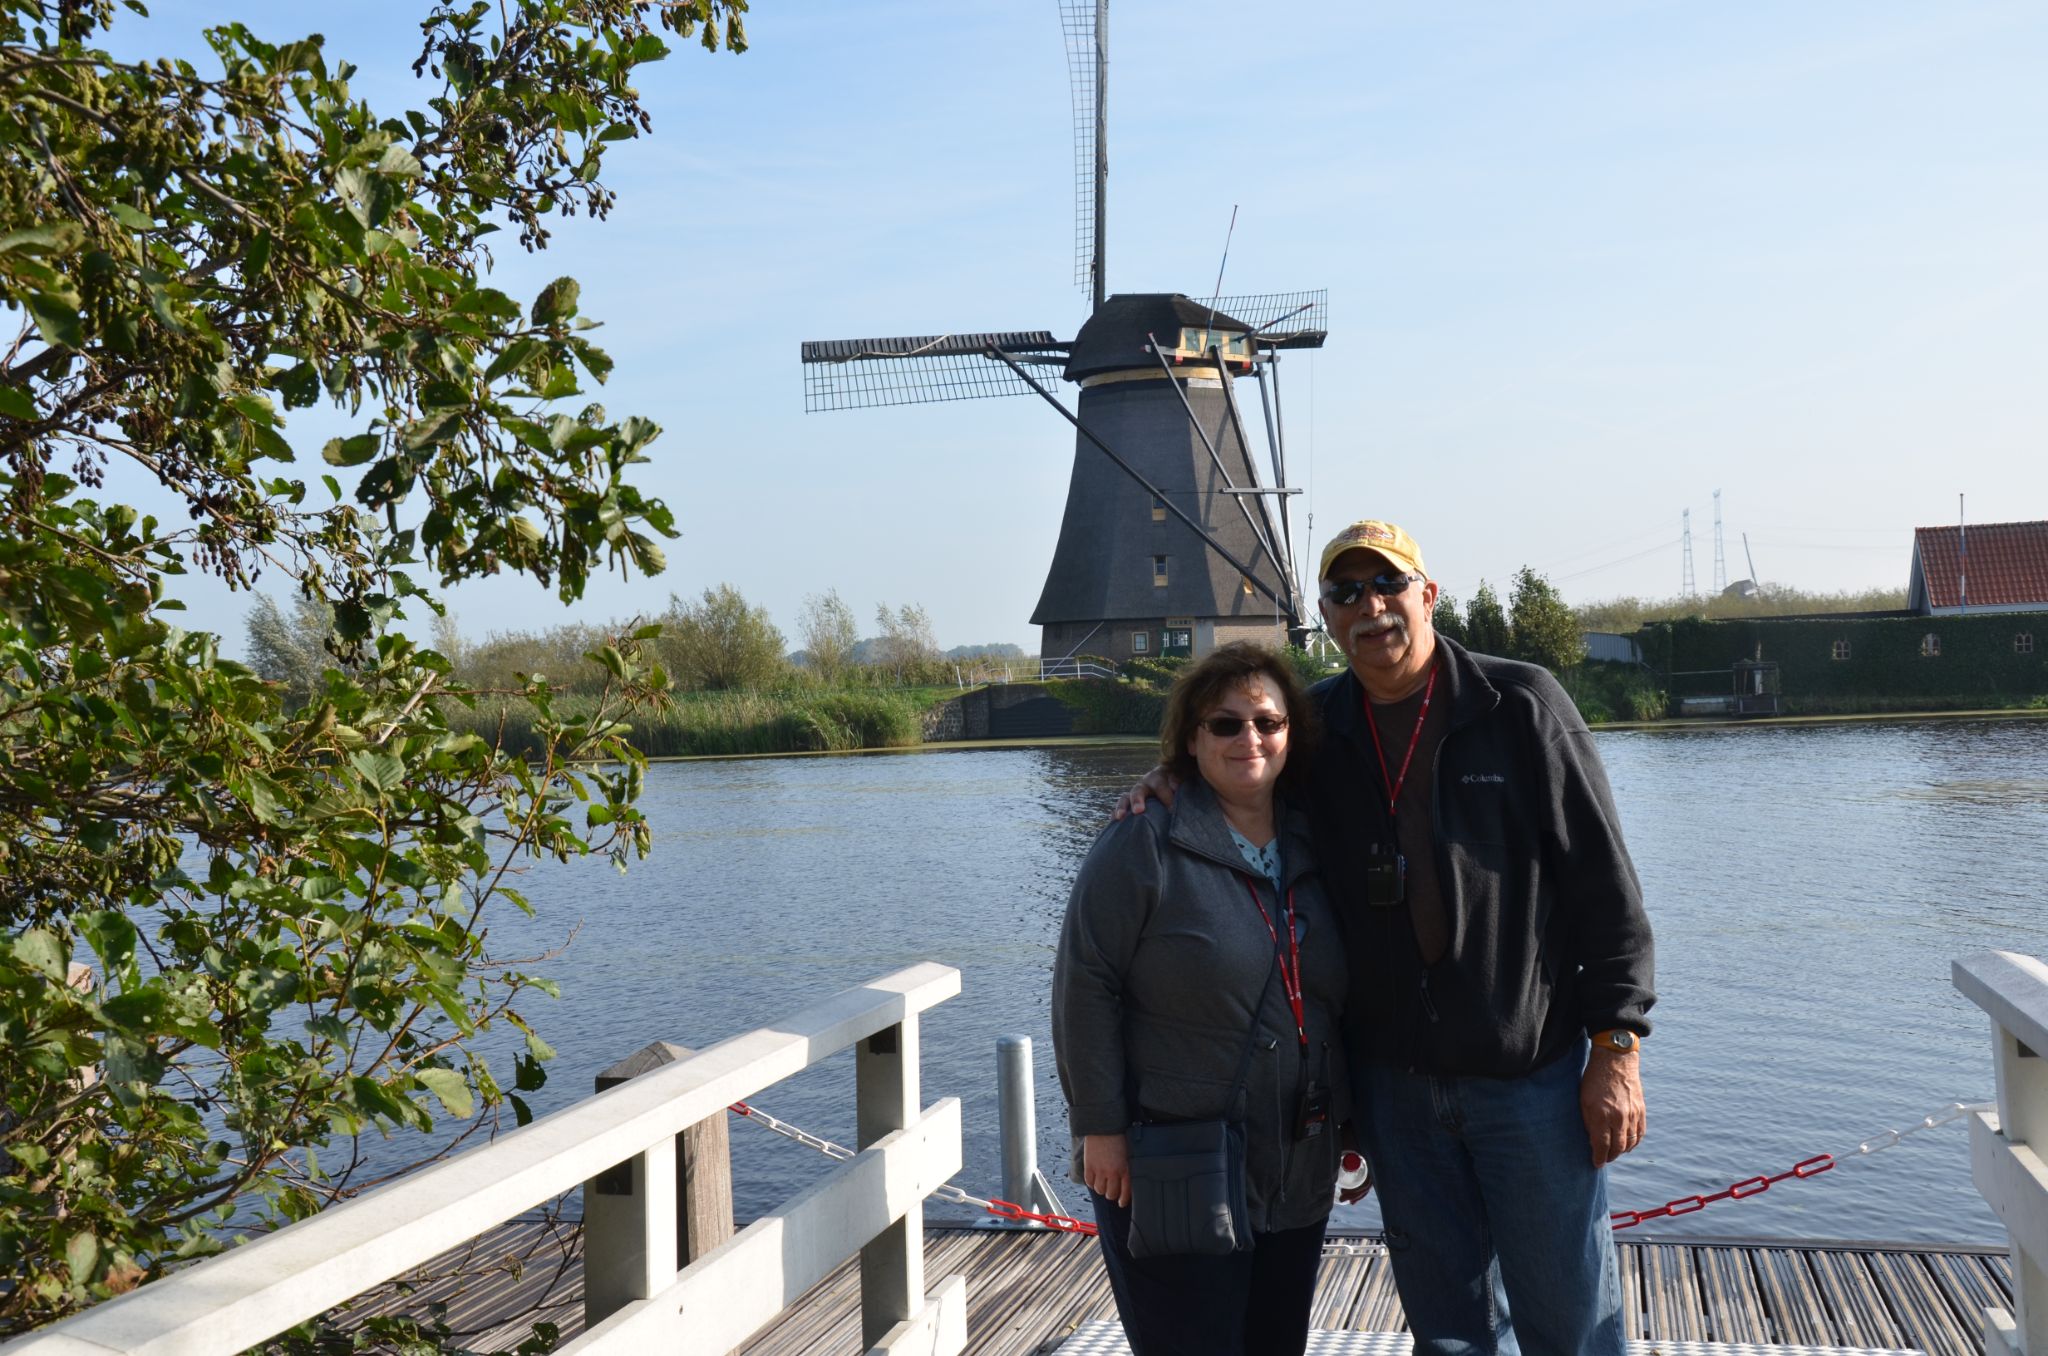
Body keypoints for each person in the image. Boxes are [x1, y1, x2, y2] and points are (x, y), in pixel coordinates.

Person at [1122, 520, 1656, 1356]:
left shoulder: (1519, 705)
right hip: (1395, 1094)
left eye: (1387, 585)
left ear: (1427, 594)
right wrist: (1176, 778)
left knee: (1571, 1323)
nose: (1369, 606)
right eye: (1346, 592)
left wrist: (1616, 1049)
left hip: (1527, 1081)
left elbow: (1607, 890)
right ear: (1327, 616)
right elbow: (1241, 771)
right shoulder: (1316, 727)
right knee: (1449, 1333)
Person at [1051, 642, 1357, 1356]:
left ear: (1290, 734)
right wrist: (1100, 1128)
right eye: (1225, 723)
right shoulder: (1143, 841)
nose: (1249, 737)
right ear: (1191, 739)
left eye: (1268, 722)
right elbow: (1084, 985)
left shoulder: (1317, 841)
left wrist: (1349, 1123)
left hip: (1293, 1161)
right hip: (1174, 1161)